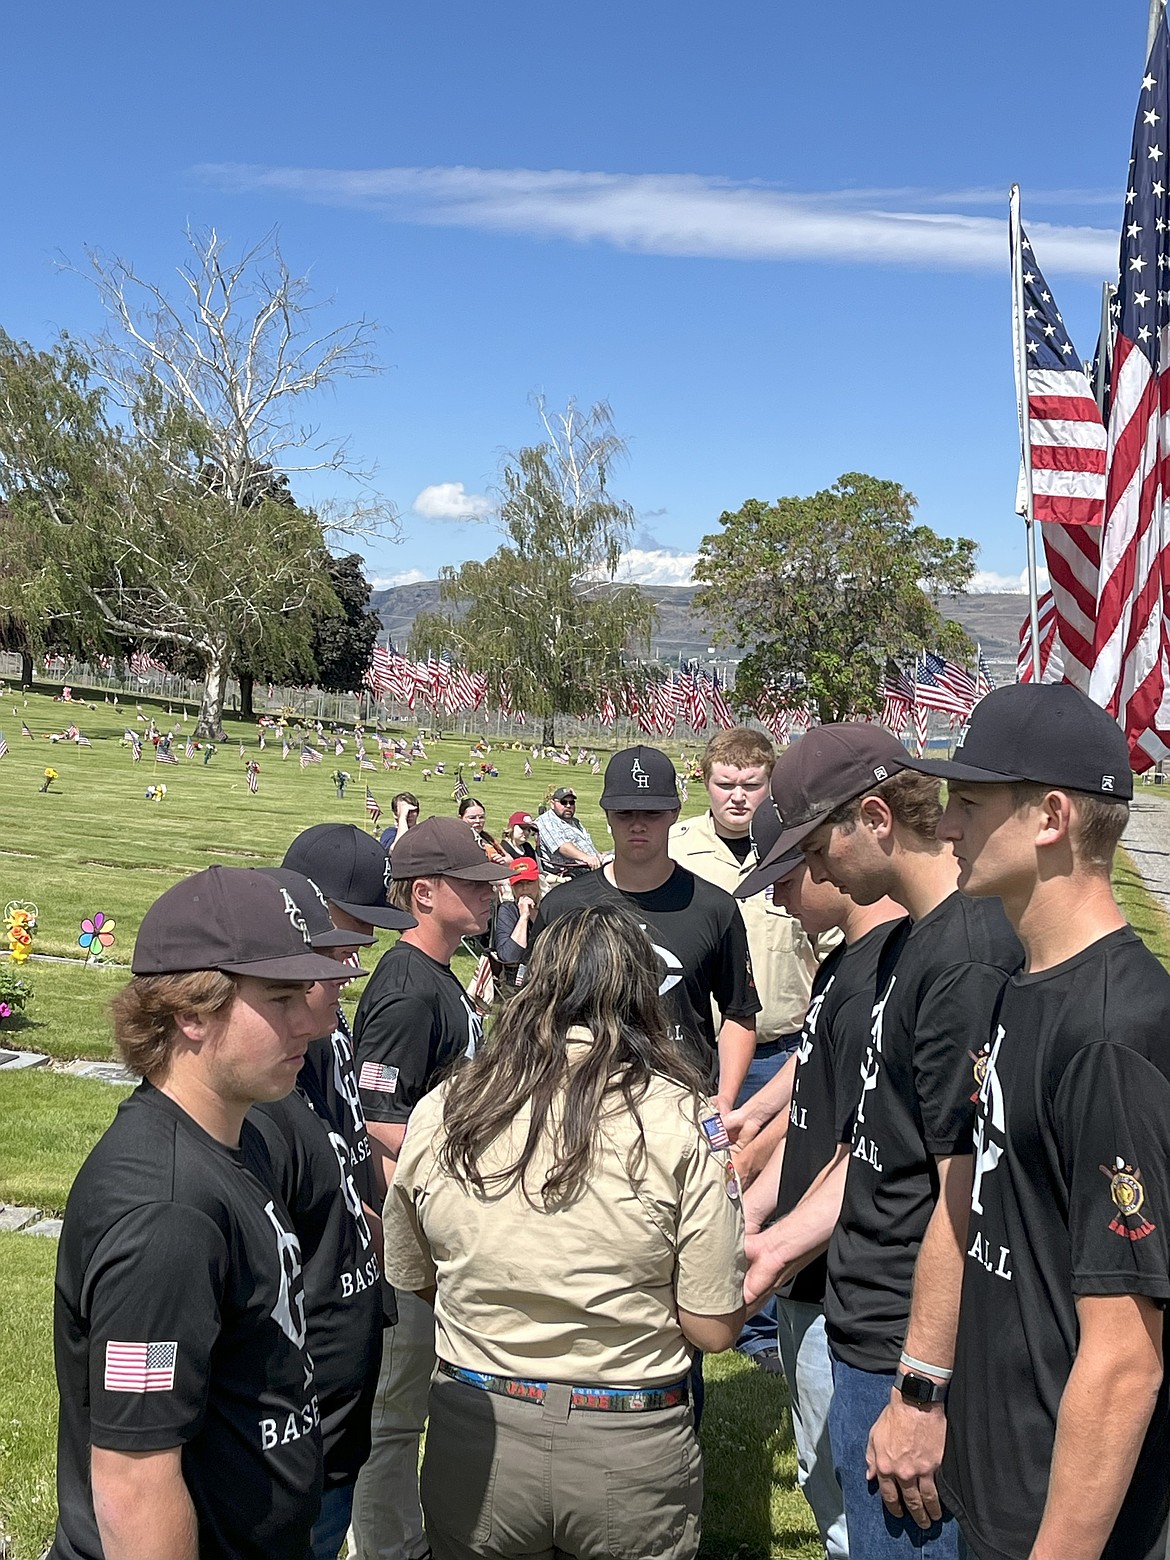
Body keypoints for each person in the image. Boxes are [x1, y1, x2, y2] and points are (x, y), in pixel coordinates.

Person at [382, 902, 747, 1560]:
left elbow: (411, 1273)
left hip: (479, 1426)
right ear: (645, 995)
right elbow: (714, 1326)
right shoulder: (683, 1118)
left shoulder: (447, 1105)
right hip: (628, 1441)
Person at [898, 684, 1170, 1560]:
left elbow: (1127, 1357)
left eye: (970, 804)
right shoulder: (1021, 982)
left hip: (1068, 1526)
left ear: (1051, 817)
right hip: (1000, 1490)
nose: (946, 827)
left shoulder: (1110, 1032)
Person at [751, 724, 1022, 1560]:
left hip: (908, 1358)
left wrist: (922, 1390)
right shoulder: (907, 944)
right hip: (862, 1332)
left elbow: (961, 1190)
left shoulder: (967, 957)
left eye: (816, 847)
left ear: (874, 817)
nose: (815, 873)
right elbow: (870, 1138)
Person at [52, 866, 358, 1560]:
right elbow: (133, 1482)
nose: (312, 1018)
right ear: (191, 1011)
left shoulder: (240, 1137)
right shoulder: (164, 1211)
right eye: (281, 998)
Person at [732, 814, 908, 1560]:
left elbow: (860, 1148)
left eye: (787, 874)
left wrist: (772, 1242)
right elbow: (813, 1110)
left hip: (847, 1275)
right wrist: (753, 1196)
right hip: (807, 1269)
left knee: (851, 1488)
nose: (779, 899)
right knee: (818, 1466)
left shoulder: (886, 974)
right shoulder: (842, 967)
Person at [350, 817, 511, 1560]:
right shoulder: (410, 990)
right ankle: (389, 1547)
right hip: (402, 1231)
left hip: (428, 1222)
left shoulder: (437, 977)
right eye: (474, 884)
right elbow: (378, 1116)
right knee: (393, 1414)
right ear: (423, 893)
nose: (491, 894)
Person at [669, 727, 821, 1369]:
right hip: (703, 1046)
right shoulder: (680, 850)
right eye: (724, 783)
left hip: (785, 1045)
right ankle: (705, 1300)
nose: (737, 796)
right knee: (708, 1181)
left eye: (752, 784)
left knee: (777, 1181)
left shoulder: (797, 854)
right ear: (705, 784)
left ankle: (764, 1319)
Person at [250, 868, 386, 1560]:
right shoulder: (265, 1100)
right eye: (332, 952)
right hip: (293, 1441)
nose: (351, 965)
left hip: (335, 1412)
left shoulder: (325, 1041)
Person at [533, 745, 760, 1116]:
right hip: (579, 1102)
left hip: (682, 1101)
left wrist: (726, 1097)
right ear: (607, 814)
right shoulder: (562, 907)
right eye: (625, 813)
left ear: (674, 813)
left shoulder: (714, 907)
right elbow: (535, 1013)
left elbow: (740, 1011)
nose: (638, 824)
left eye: (652, 812)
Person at [493, 856, 541, 987]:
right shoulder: (508, 910)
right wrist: (524, 916)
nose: (525, 888)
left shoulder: (547, 908)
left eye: (529, 882)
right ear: (513, 888)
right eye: (519, 884)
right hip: (517, 983)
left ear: (538, 882)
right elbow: (509, 956)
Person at [534, 785, 602, 878]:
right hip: (571, 872)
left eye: (572, 802)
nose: (568, 806)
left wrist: (600, 856)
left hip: (593, 865)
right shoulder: (546, 821)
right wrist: (586, 858)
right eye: (564, 802)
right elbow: (563, 847)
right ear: (552, 804)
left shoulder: (574, 822)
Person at [458, 796, 508, 863]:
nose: (478, 821)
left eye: (481, 817)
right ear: (460, 818)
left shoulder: (487, 839)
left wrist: (502, 860)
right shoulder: (457, 840)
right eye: (472, 818)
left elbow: (510, 859)